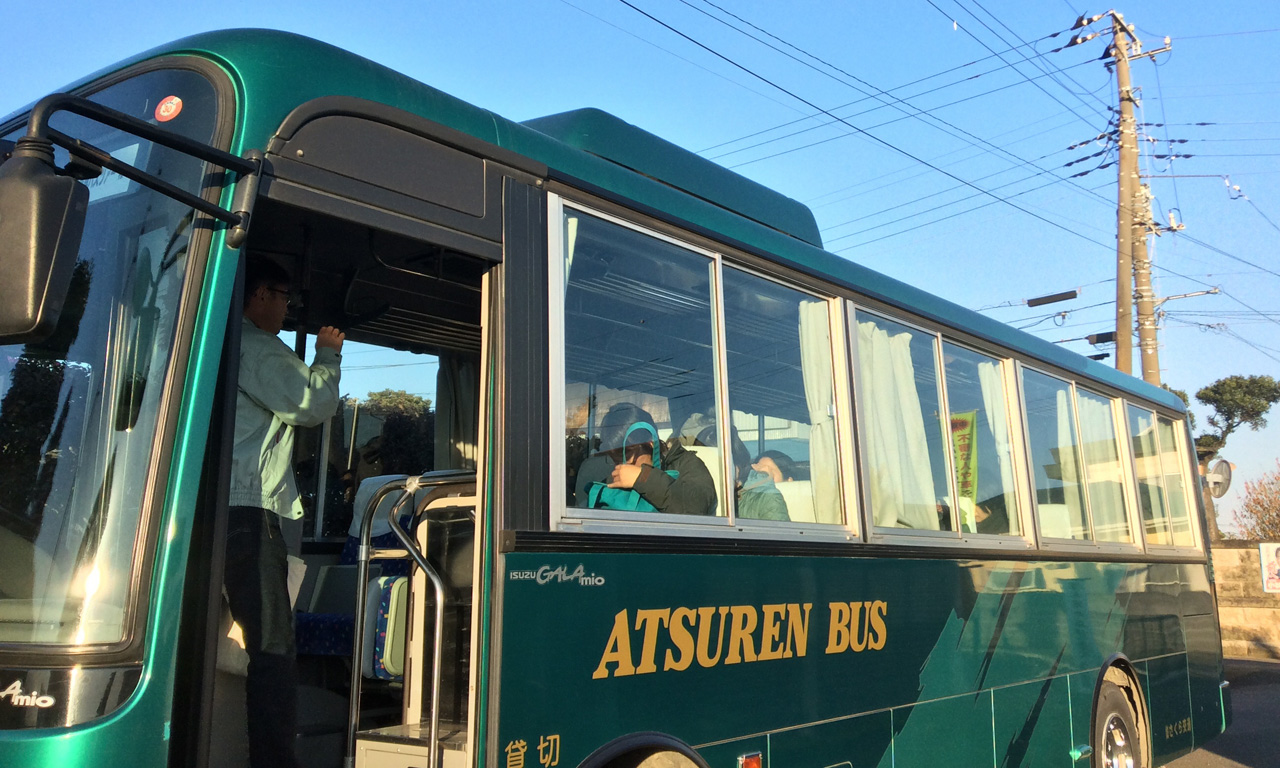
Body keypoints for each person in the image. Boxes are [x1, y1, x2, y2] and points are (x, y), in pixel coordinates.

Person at [226, 257, 343, 768]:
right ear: (258, 296)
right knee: (273, 647)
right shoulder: (255, 346)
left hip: (227, 508)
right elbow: (310, 405)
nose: (286, 309)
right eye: (283, 298)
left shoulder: (221, 345)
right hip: (250, 512)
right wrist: (328, 354)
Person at [576, 403, 717, 516]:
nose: (623, 464)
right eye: (616, 458)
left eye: (628, 454)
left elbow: (698, 505)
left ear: (650, 443)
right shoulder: (609, 473)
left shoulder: (685, 463)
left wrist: (643, 477)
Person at [737, 450, 796, 521]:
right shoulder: (744, 498)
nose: (761, 478)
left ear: (789, 481)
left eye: (768, 474)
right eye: (758, 474)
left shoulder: (772, 499)